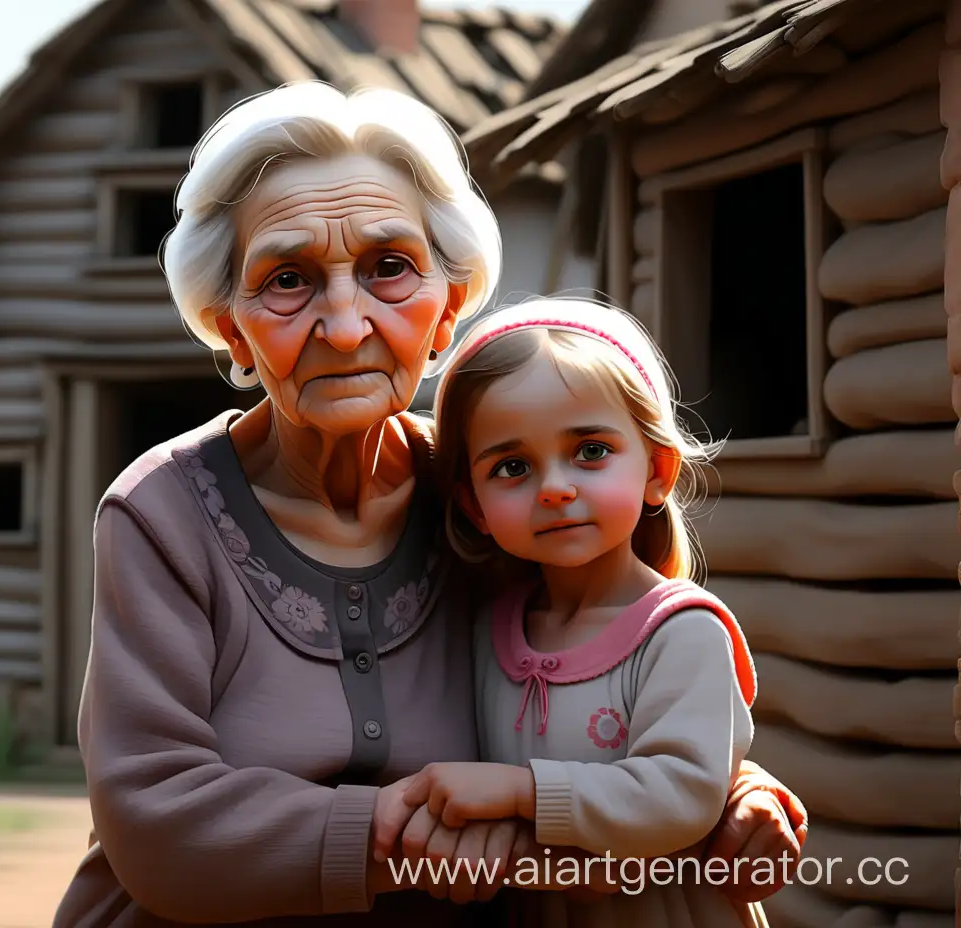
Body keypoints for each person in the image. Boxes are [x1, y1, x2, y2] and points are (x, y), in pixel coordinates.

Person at [51, 83, 806, 928]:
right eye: (288, 279)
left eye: (389, 269)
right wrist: (405, 833)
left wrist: (732, 784)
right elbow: (156, 821)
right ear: (230, 328)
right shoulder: (161, 515)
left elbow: (615, 650)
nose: (345, 326)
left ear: (447, 310)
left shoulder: (494, 489)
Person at [373, 298, 772, 926]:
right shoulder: (485, 628)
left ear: (657, 471)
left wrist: (521, 791)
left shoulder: (681, 631)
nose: (555, 487)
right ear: (475, 506)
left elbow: (684, 793)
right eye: (512, 466)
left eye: (589, 450)